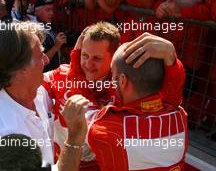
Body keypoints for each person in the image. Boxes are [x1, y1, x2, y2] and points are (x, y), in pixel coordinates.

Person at [44, 22, 185, 170]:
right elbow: (26, 91)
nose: (88, 63)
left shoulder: (117, 112)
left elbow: (80, 114)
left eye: (97, 58)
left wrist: (76, 64)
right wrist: (172, 60)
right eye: (84, 55)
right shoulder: (178, 113)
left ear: (113, 60)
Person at [0, 22, 89, 171]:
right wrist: (75, 136)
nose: (47, 60)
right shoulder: (8, 135)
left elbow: (62, 77)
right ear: (22, 68)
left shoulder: (35, 90)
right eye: (41, 55)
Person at [85, 33, 188, 171]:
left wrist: (76, 57)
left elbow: (78, 106)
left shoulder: (106, 129)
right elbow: (172, 91)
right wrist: (172, 58)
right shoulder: (179, 115)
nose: (111, 82)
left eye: (113, 75)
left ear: (122, 81)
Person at [34, 0, 67, 72]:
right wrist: (56, 46)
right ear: (36, 11)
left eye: (52, 10)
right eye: (47, 10)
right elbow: (40, 61)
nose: (51, 13)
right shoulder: (34, 31)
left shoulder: (49, 25)